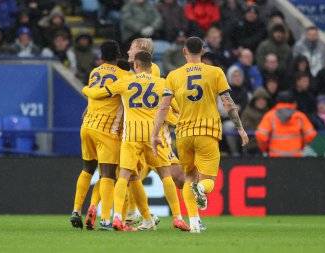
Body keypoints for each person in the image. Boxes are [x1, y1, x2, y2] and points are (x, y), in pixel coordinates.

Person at [83, 51, 189, 231]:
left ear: (136, 65)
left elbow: (98, 93)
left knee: (123, 177)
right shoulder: (162, 83)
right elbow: (176, 108)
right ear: (151, 65)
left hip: (131, 136)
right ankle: (178, 217)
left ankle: (116, 217)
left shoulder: (125, 82)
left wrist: (85, 89)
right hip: (153, 136)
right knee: (166, 176)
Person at [151, 37, 249, 233]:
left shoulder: (173, 75)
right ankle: (201, 190)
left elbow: (163, 107)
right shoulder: (215, 72)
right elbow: (228, 102)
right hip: (207, 132)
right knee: (208, 181)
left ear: (184, 52)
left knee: (189, 177)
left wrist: (155, 133)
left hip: (184, 134)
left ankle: (194, 223)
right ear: (203, 52)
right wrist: (240, 129)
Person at [70, 40, 131, 231]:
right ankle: (105, 219)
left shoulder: (94, 72)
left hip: (87, 126)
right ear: (118, 54)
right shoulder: (125, 76)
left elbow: (92, 95)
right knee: (107, 174)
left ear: (101, 56)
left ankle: (75, 211)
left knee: (87, 169)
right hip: (106, 129)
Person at [256, 91, 317, 157]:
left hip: (275, 158)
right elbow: (310, 134)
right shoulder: (300, 116)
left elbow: (261, 136)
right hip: (295, 157)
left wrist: (265, 148)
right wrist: (301, 145)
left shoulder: (270, 116)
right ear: (293, 102)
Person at [222, 65, 249, 156]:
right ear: (229, 77)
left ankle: (246, 150)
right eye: (234, 76)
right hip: (227, 119)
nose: (237, 78)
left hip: (243, 118)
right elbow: (220, 110)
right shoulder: (224, 91)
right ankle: (235, 152)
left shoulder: (245, 92)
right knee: (229, 126)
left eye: (239, 76)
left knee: (248, 123)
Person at [241, 87, 271, 155]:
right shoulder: (247, 112)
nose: (261, 102)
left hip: (268, 144)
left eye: (264, 100)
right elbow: (246, 128)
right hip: (252, 145)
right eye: (259, 100)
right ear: (254, 101)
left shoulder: (269, 112)